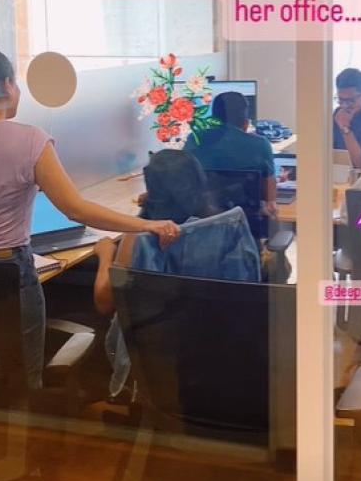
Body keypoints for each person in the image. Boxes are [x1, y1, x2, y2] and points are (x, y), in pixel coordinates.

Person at [0, 49, 180, 393]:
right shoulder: (29, 140)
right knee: (21, 380)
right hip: (7, 275)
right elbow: (76, 210)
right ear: (8, 86)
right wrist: (147, 224)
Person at [93, 150, 261, 397]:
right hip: (221, 348)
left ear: (151, 189)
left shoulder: (139, 237)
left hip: (160, 359)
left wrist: (106, 254)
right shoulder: (227, 224)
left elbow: (105, 302)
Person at [186, 91, 277, 214]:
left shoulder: (194, 139)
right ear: (246, 121)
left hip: (203, 220)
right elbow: (270, 198)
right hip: (247, 220)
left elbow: (186, 178)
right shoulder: (260, 144)